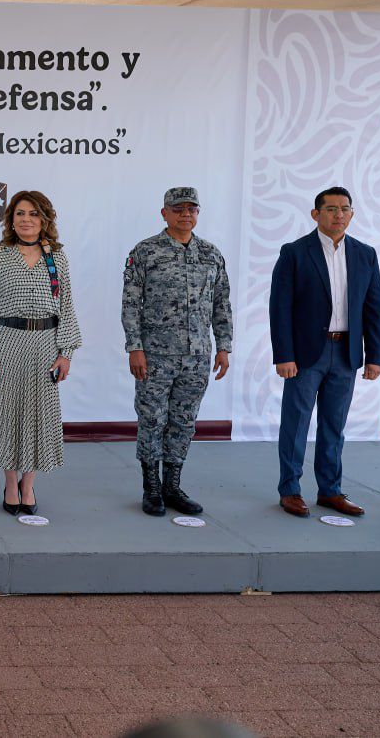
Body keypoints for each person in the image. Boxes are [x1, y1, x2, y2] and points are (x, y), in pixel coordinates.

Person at [270, 186, 380, 518]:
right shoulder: (294, 252)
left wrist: (375, 355)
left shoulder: (365, 254)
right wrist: (284, 355)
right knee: (296, 423)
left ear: (352, 214)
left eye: (345, 209)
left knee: (334, 425)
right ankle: (290, 489)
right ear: (315, 214)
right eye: (331, 209)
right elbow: (280, 307)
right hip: (306, 353)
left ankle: (330, 491)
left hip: (346, 352)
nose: (338, 215)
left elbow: (374, 308)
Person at [122, 187, 232, 517]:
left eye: (191, 209)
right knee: (152, 419)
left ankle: (172, 486)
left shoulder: (211, 254)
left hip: (197, 356)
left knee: (184, 421)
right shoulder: (146, 252)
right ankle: (151, 488)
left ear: (198, 213)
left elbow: (221, 303)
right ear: (164, 213)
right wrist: (135, 347)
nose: (185, 214)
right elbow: (131, 303)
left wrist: (224, 346)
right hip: (155, 355)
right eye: (178, 209)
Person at [0, 191, 81, 515]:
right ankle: (10, 483)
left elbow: (66, 306)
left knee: (38, 415)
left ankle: (28, 485)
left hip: (46, 344)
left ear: (44, 219)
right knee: (6, 413)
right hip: (7, 342)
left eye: (33, 214)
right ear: (11, 219)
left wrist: (66, 353)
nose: (26, 220)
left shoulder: (57, 257)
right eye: (20, 213)